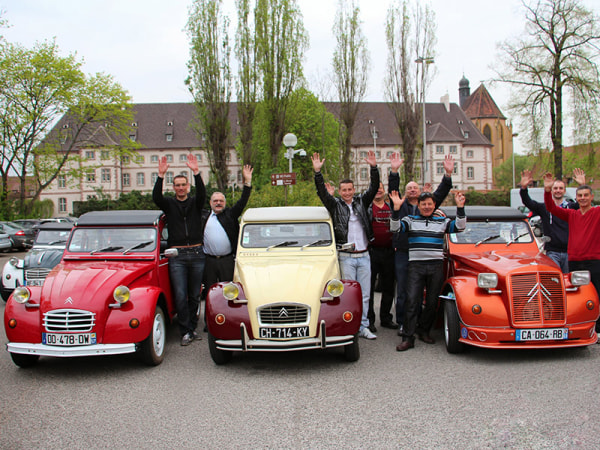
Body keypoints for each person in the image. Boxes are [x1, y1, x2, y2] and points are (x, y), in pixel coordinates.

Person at [312, 150, 380, 339]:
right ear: (340, 192)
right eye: (344, 190)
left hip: (364, 255)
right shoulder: (335, 205)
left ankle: (364, 326)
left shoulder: (361, 202)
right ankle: (350, 326)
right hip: (347, 257)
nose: (348, 192)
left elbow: (374, 188)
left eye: (350, 189)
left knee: (365, 294)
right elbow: (322, 194)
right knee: (349, 294)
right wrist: (318, 173)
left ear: (353, 189)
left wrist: (373, 168)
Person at [389, 189, 466, 351]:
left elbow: (459, 227)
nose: (426, 207)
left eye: (429, 204)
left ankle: (423, 330)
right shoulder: (410, 220)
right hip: (416, 266)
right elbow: (395, 228)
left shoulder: (442, 221)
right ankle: (408, 338)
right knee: (412, 301)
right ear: (418, 205)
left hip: (436, 266)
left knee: (432, 302)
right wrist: (396, 209)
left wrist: (460, 208)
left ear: (434, 205)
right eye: (423, 204)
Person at [388, 154, 454, 334]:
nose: (412, 190)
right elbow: (393, 190)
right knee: (403, 290)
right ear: (405, 191)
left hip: (423, 256)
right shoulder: (400, 205)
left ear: (419, 192)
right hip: (403, 252)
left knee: (421, 293)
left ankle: (419, 324)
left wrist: (447, 175)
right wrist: (394, 171)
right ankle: (403, 323)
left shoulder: (426, 206)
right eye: (409, 188)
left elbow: (441, 192)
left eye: (415, 188)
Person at [153, 154, 206, 346]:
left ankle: (192, 328)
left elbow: (202, 194)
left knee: (194, 295)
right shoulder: (169, 204)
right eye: (177, 185)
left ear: (187, 187)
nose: (181, 188)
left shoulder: (195, 203)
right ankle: (184, 330)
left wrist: (196, 172)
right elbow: (156, 197)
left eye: (184, 184)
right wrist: (160, 175)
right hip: (178, 255)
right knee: (180, 294)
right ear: (173, 188)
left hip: (197, 253)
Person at [543, 172, 600, 332]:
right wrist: (547, 191)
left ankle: (598, 328)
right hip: (574, 261)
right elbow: (551, 208)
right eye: (580, 195)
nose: (582, 198)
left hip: (594, 261)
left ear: (591, 197)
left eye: (585, 195)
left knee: (597, 294)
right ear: (576, 197)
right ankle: (579, 325)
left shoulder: (597, 213)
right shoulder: (571, 214)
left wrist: (583, 181)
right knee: (577, 296)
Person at [202, 164, 253, 294]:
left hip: (227, 260)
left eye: (221, 201)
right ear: (210, 203)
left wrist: (247, 182)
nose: (218, 203)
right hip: (209, 261)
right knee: (210, 292)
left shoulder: (230, 215)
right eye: (215, 201)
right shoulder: (203, 217)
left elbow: (242, 201)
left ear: (225, 203)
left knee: (229, 291)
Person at [367, 152, 403, 332]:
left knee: (389, 286)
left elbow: (395, 189)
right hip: (372, 252)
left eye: (382, 188)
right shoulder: (366, 206)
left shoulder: (392, 205)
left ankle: (386, 318)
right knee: (370, 289)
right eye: (376, 188)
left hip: (390, 251)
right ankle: (370, 321)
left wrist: (394, 171)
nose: (379, 190)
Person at [519, 169, 582, 273]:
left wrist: (581, 185)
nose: (558, 190)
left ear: (564, 191)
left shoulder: (571, 207)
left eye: (561, 188)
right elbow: (528, 202)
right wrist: (524, 188)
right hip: (553, 251)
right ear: (551, 191)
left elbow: (583, 202)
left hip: (569, 252)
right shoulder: (544, 208)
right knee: (554, 279)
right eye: (555, 188)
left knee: (568, 281)